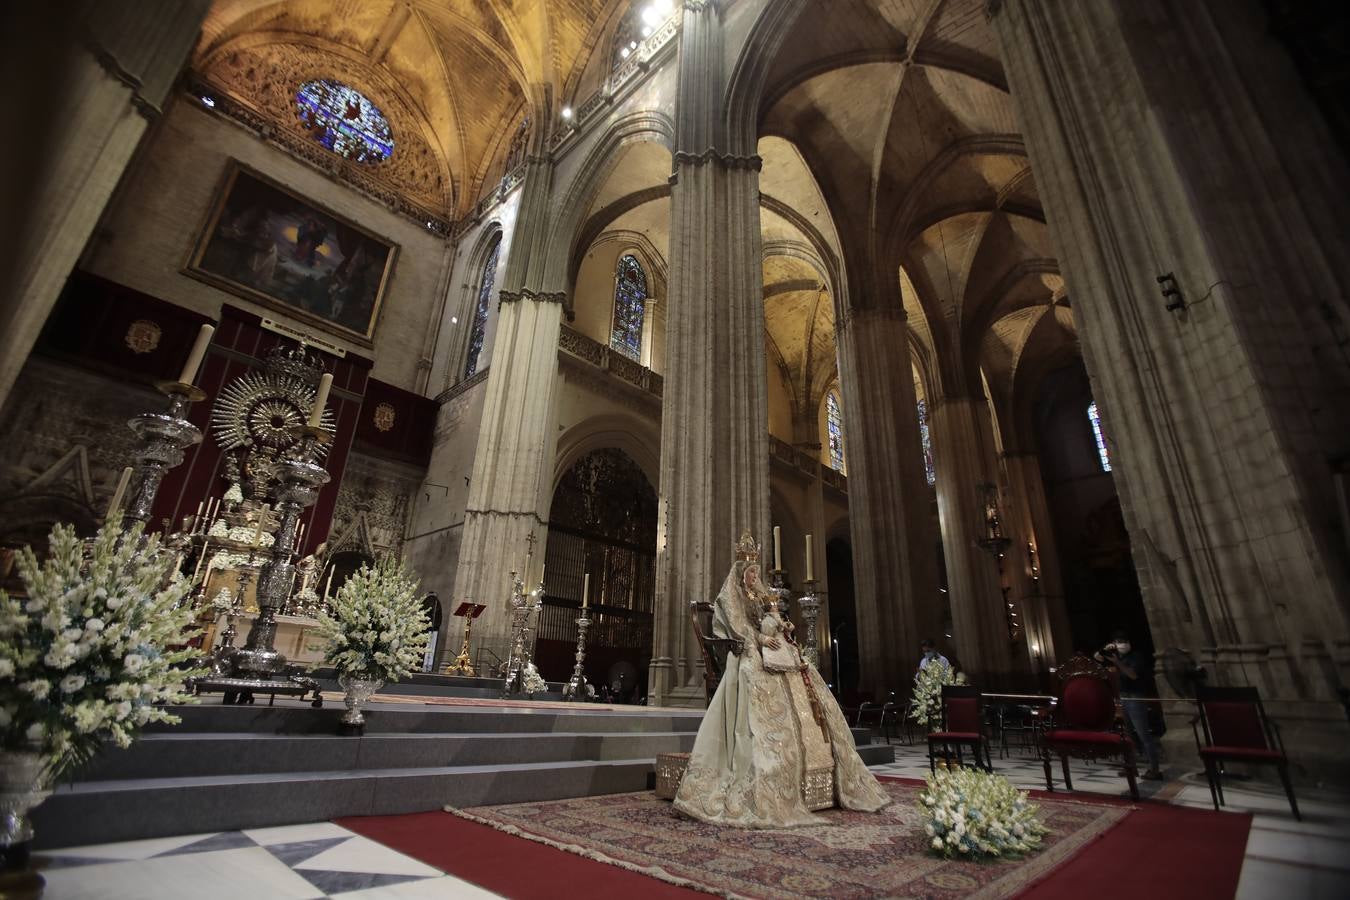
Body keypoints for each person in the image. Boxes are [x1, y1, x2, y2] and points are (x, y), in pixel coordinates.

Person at [673, 531, 890, 828]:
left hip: (771, 650)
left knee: (803, 669)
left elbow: (770, 615)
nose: (753, 577)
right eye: (749, 573)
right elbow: (738, 628)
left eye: (754, 572)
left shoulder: (759, 593)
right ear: (740, 573)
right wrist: (761, 638)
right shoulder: (730, 596)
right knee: (755, 674)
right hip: (747, 652)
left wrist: (778, 623)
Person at [1095, 630, 1164, 781]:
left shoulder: (1135, 657)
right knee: (1128, 735)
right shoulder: (1117, 656)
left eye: (1122, 641)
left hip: (1136, 698)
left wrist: (1117, 663)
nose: (1121, 644)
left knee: (1143, 734)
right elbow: (1097, 657)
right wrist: (1105, 650)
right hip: (1123, 698)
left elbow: (1133, 675)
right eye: (1117, 642)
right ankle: (1131, 767)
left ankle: (1154, 769)